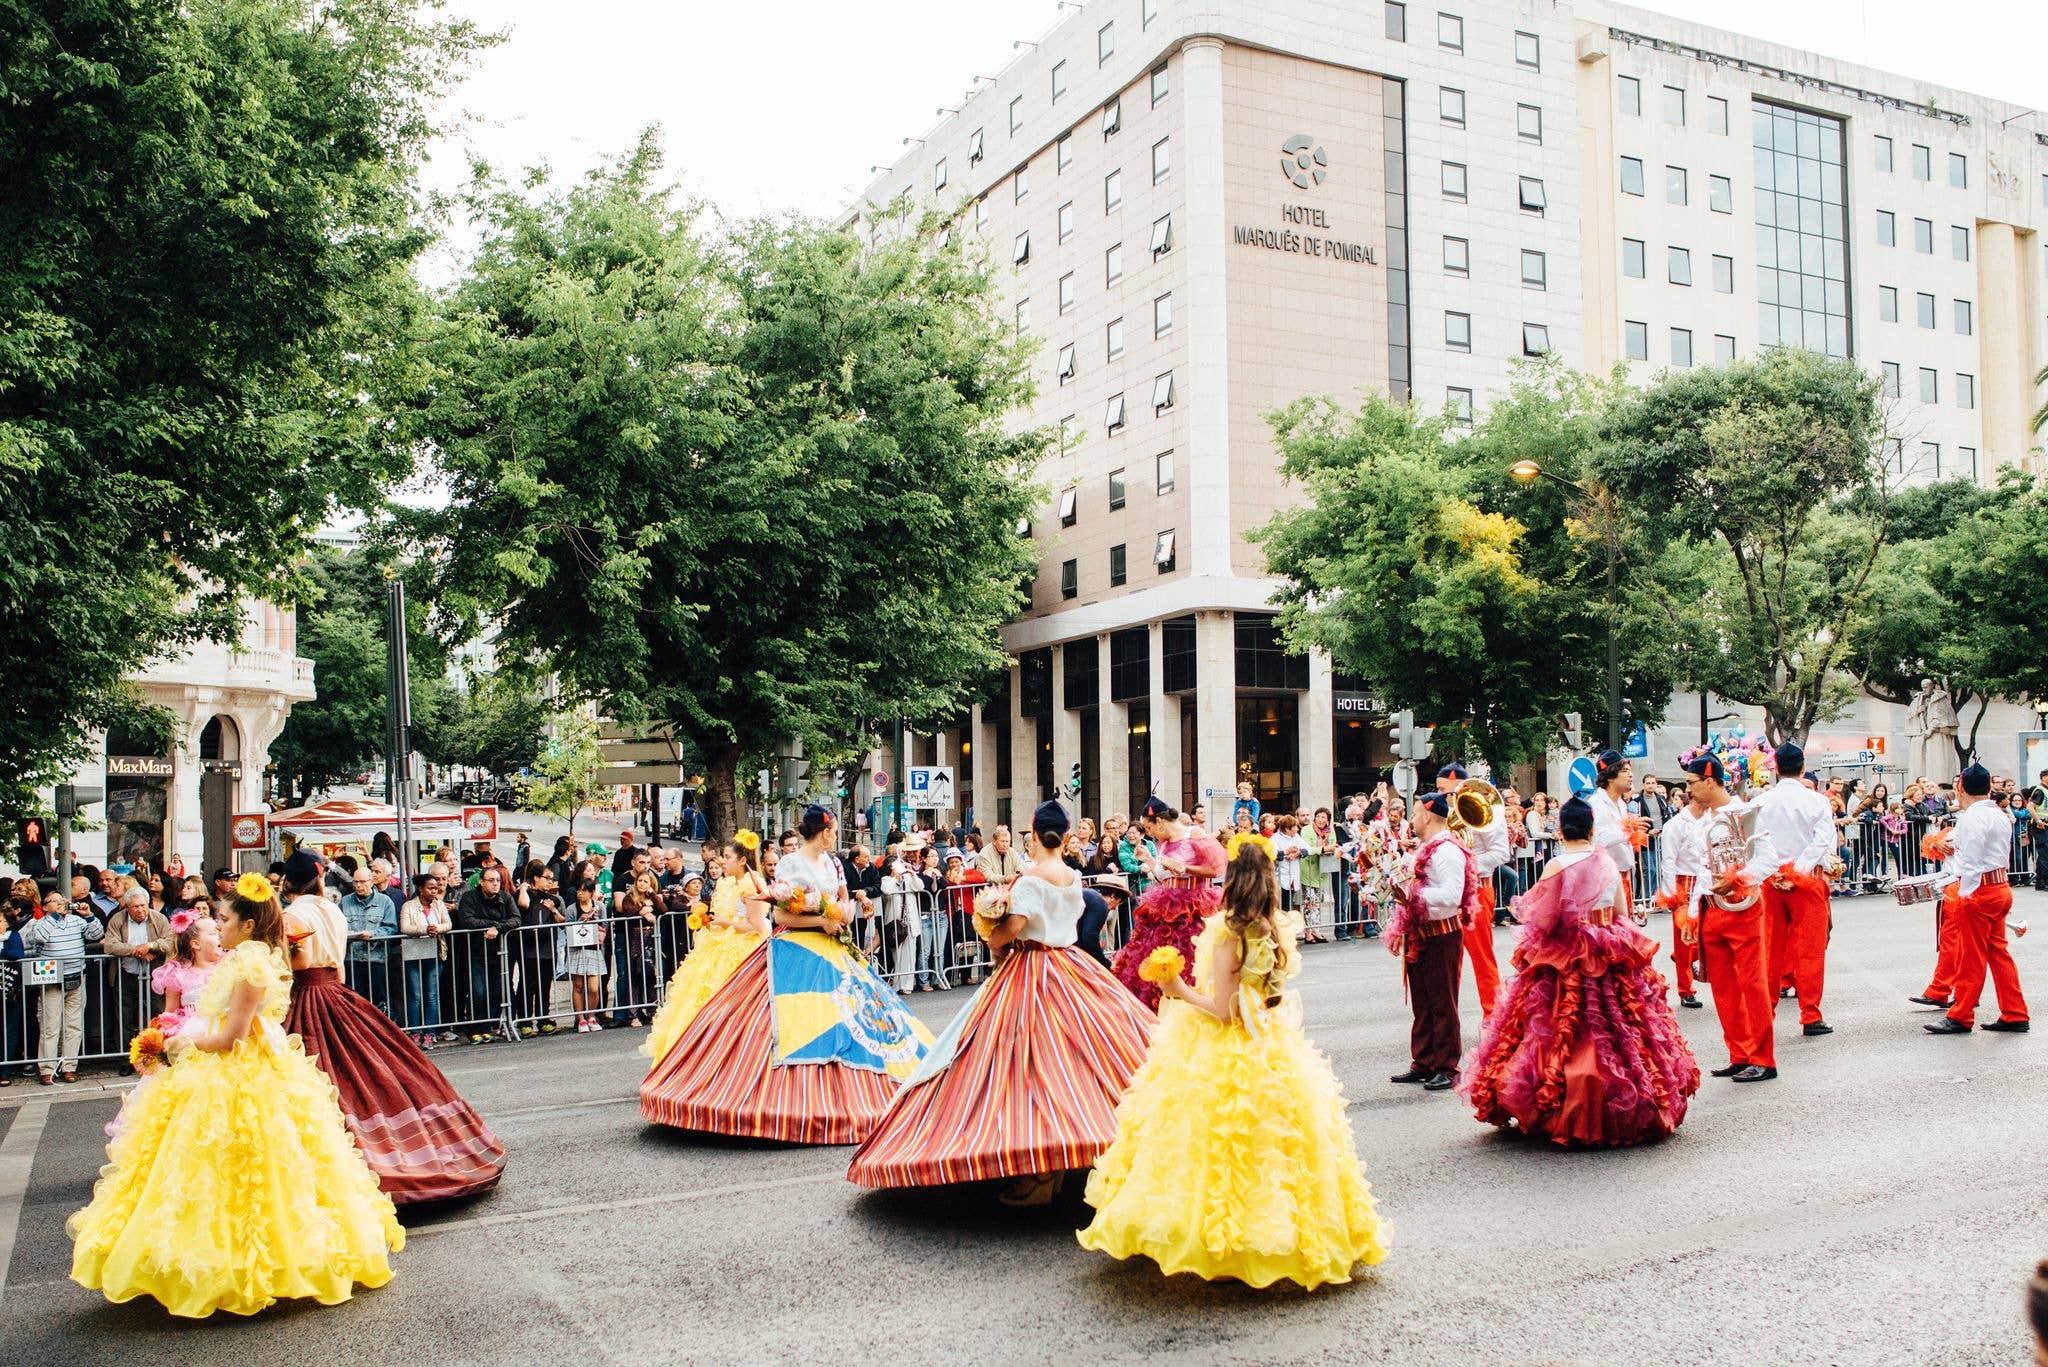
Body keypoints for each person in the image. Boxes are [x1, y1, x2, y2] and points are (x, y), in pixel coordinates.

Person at [69, 878, 404, 1318]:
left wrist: (178, 1047)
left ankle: (244, 1265)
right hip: (250, 1065)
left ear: (247, 925)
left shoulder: (250, 966)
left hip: (242, 1072)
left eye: (224, 920)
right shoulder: (250, 957)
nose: (218, 926)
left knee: (240, 1171)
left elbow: (232, 1037)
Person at [1077, 844, 1389, 1288]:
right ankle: (1276, 1233)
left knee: (1219, 1149)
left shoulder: (1229, 933)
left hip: (1226, 1046)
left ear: (1232, 883)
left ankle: (1223, 1241)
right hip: (1271, 1041)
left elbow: (1223, 1011)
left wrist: (1176, 988)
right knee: (1273, 1151)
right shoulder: (1272, 928)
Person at [848, 800, 1155, 1201]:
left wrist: (992, 937)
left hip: (1033, 967)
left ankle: (1041, 1168)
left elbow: (1014, 928)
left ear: (1032, 833)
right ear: (1064, 836)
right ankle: (1081, 1149)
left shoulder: (1031, 880)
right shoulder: (1072, 877)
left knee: (1023, 1066)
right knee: (1085, 1059)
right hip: (1073, 968)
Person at [641, 805, 933, 1144]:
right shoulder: (791, 863)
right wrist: (820, 920)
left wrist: (842, 915)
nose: (836, 835)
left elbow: (836, 899)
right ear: (824, 831)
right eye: (834, 829)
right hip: (794, 951)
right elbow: (782, 916)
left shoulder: (830, 861)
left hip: (832, 949)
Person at [1461, 796, 1700, 1145]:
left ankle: (1559, 1101)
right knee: (1622, 1025)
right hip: (1607, 943)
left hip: (1566, 948)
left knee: (1558, 1025)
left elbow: (1543, 917)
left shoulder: (1556, 865)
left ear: (1561, 830)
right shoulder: (1606, 861)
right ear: (1590, 828)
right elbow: (1620, 908)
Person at [277, 849, 507, 1203]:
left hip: (307, 994)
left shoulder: (293, 915)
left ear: (287, 881)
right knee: (368, 1067)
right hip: (337, 992)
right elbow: (336, 965)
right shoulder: (331, 910)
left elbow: (300, 963)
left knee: (319, 1075)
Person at [1663, 754, 1781, 1082]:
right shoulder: (1701, 822)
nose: (1688, 791)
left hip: (1741, 908)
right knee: (1724, 989)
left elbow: (1768, 860)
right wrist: (1691, 915)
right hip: (1712, 909)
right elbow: (1702, 873)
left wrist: (1738, 877)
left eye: (1691, 783)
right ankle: (1740, 1053)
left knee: (1753, 985)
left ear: (1710, 781)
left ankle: (1764, 1058)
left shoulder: (1743, 813)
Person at [643, 832, 770, 1066]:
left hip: (744, 948)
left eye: (728, 857)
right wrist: (708, 919)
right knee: (696, 999)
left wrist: (726, 923)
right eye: (723, 856)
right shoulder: (724, 881)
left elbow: (757, 926)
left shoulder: (752, 884)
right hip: (717, 944)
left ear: (742, 860)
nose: (723, 861)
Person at [1923, 763, 2029, 1035]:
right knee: (1999, 954)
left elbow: (1969, 862)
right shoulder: (1999, 814)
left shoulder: (1971, 817)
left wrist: (1965, 895)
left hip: (1979, 890)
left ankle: (1961, 1015)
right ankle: (2014, 1011)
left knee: (1971, 957)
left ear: (1961, 787)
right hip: (2000, 885)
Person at [1386, 791, 1476, 1092]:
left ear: (1427, 815)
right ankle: (1424, 1061)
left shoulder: (1448, 850)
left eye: (1413, 813)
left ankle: (1447, 1066)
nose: (1411, 819)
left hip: (1442, 933)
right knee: (1423, 1001)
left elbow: (1452, 896)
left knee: (1442, 1002)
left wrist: (1415, 894)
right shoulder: (1426, 847)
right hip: (1421, 931)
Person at [1110, 798, 1228, 1010]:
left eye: (1149, 828)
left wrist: (1187, 868)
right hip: (1165, 905)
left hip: (1193, 905)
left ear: (1160, 822)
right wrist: (1148, 858)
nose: (1150, 834)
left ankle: (1189, 1000)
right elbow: (1163, 876)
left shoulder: (1194, 835)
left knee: (1188, 955)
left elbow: (1216, 868)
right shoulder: (1163, 844)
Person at [1756, 743, 1839, 1038]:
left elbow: (1757, 843)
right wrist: (1800, 870)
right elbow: (1823, 841)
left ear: (1776, 768)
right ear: (1803, 767)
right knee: (1810, 949)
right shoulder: (1817, 801)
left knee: (1770, 948)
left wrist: (1778, 872)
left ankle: (1766, 1012)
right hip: (1808, 880)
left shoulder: (1763, 801)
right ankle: (1810, 1015)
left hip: (1772, 880)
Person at [1438, 764, 1508, 1018]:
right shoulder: (1442, 811)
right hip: (1450, 893)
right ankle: (1447, 1017)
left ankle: (1494, 1016)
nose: (1440, 795)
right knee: (1447, 960)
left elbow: (1502, 852)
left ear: (1457, 785)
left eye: (1443, 789)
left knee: (1482, 957)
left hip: (1477, 890)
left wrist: (1467, 864)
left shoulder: (1481, 807)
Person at [22, 887, 104, 1083]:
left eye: (62, 900)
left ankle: (69, 1067)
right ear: (45, 906)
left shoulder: (76, 920)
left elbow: (97, 934)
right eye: (54, 900)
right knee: (50, 1026)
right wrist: (55, 917)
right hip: (52, 981)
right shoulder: (41, 923)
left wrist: (89, 915)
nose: (60, 903)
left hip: (76, 977)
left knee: (73, 1026)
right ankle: (47, 1069)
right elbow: (38, 938)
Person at [102, 887, 172, 1073]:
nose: (140, 910)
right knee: (124, 1019)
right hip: (126, 974)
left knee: (156, 1016)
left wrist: (150, 946)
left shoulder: (159, 918)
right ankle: (127, 1060)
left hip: (154, 975)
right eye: (135, 907)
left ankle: (156, 1058)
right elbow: (110, 945)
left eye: (143, 905)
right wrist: (136, 951)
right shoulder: (118, 920)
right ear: (127, 907)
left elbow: (170, 941)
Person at [452, 865, 520, 1040]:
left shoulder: (505, 897)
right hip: (475, 951)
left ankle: (488, 1025)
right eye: (491, 880)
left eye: (498, 880)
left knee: (495, 990)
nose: (495, 884)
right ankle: (474, 1027)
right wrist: (491, 925)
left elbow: (516, 919)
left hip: (498, 952)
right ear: (482, 882)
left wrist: (497, 927)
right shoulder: (470, 897)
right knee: (478, 990)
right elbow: (467, 920)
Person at [398, 871, 453, 1047]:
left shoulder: (439, 905)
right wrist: (424, 930)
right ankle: (415, 1031)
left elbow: (448, 924)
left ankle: (429, 1032)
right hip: (413, 954)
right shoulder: (408, 906)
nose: (434, 892)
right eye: (430, 888)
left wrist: (437, 928)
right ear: (421, 889)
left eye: (436, 888)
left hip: (434, 952)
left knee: (431, 995)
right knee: (415, 995)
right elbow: (405, 927)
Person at [339, 864, 399, 1013]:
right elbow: (337, 927)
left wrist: (373, 934)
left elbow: (391, 928)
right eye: (356, 882)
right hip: (352, 959)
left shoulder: (385, 902)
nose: (358, 885)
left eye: (362, 882)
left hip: (376, 959)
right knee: (355, 1001)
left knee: (380, 1001)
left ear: (372, 881)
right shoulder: (344, 901)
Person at [515, 861, 566, 1035]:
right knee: (527, 986)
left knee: (544, 986)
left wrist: (552, 910)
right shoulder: (526, 895)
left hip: (547, 949)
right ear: (536, 878)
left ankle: (544, 1018)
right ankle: (524, 1022)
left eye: (552, 879)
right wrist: (523, 887)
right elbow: (523, 905)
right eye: (547, 878)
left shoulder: (553, 899)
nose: (550, 882)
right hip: (529, 950)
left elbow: (561, 921)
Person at [564, 879, 609, 1032]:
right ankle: (581, 1019)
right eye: (579, 890)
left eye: (584, 890)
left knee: (594, 987)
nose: (580, 893)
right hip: (577, 948)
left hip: (594, 948)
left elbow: (605, 926)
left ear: (591, 893)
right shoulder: (572, 909)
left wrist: (595, 918)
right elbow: (566, 928)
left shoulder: (600, 906)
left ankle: (591, 1016)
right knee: (578, 985)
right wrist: (580, 920)